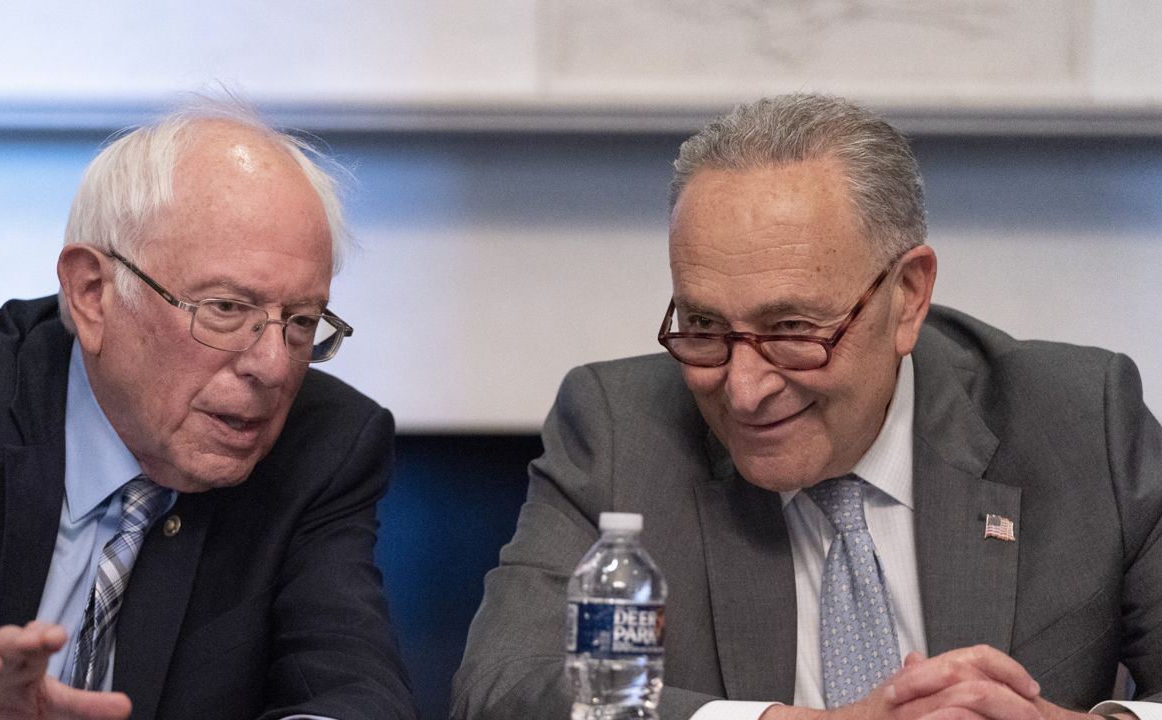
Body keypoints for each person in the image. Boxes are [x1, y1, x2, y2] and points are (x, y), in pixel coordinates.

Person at [451, 93, 1162, 720]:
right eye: (703, 327)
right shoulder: (618, 428)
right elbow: (502, 691)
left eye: (793, 331)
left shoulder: (1076, 418)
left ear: (908, 296)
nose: (744, 388)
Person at [0, 100, 417, 720]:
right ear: (92, 294)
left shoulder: (324, 446)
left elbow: (351, 687)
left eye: (300, 321)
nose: (272, 366)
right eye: (225, 308)